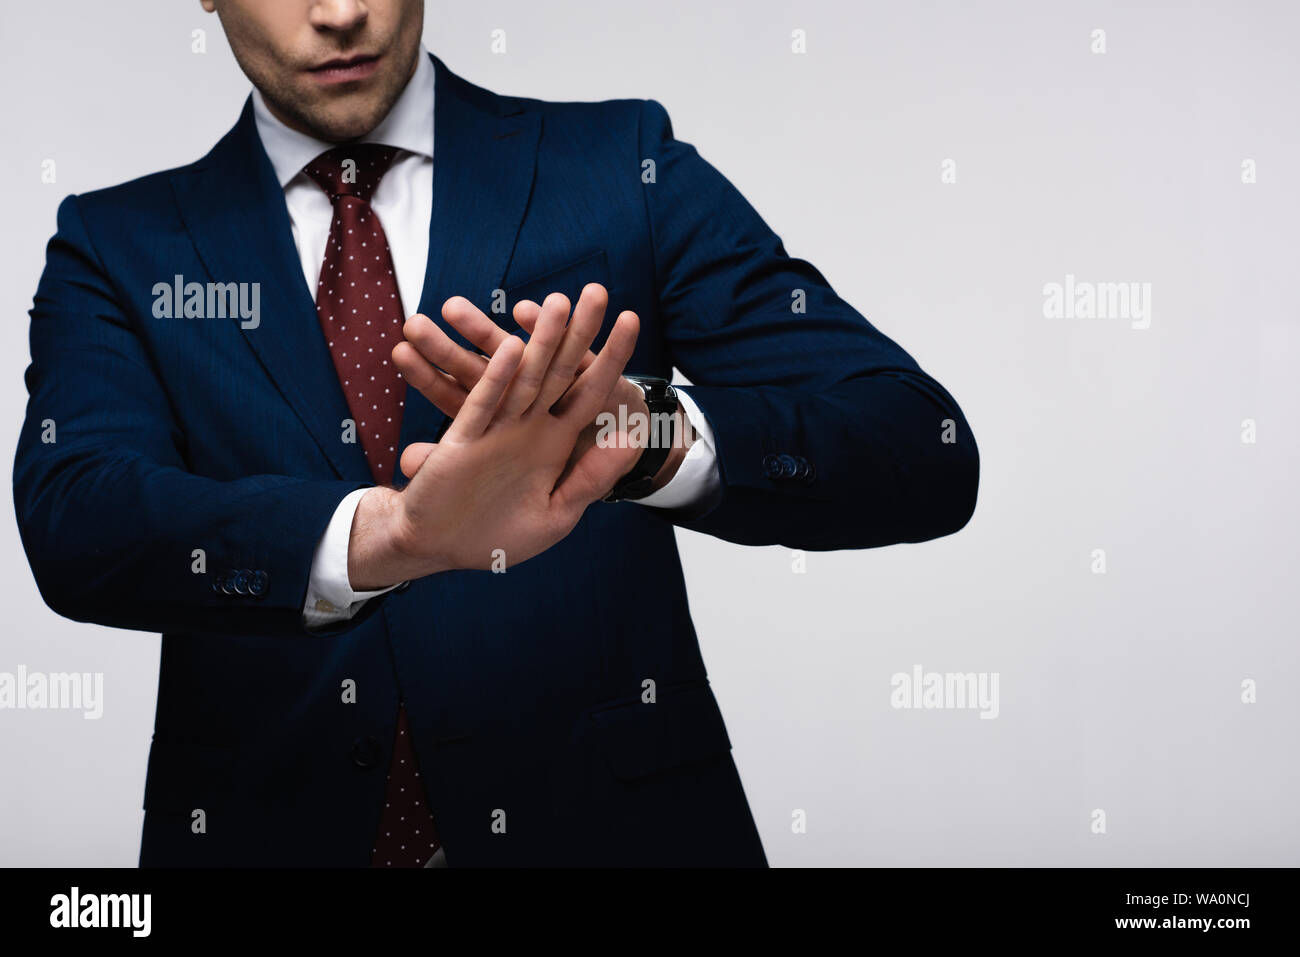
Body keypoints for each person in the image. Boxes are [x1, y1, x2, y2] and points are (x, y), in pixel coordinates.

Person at [13, 0, 979, 867]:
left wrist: (643, 438)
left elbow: (918, 442)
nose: (341, 12)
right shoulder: (119, 244)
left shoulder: (622, 168)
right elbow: (80, 520)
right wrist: (384, 538)